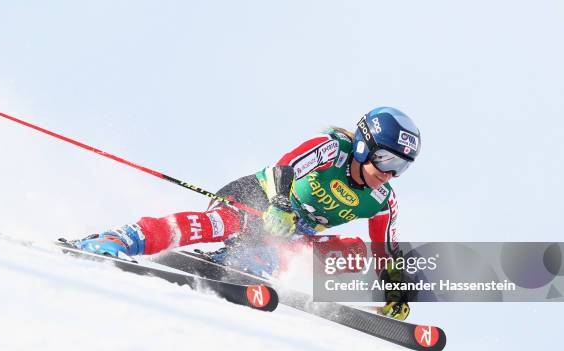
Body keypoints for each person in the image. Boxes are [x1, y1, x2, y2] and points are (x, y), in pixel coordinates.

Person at [70, 107, 421, 320]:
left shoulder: (382, 199)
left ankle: (243, 263)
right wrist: (281, 203)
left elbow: (384, 250)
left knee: (346, 252)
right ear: (363, 145)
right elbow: (282, 168)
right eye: (386, 159)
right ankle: (121, 239)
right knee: (228, 222)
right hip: (254, 199)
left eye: (400, 167)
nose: (388, 172)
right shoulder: (333, 148)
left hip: (288, 233)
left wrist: (393, 288)